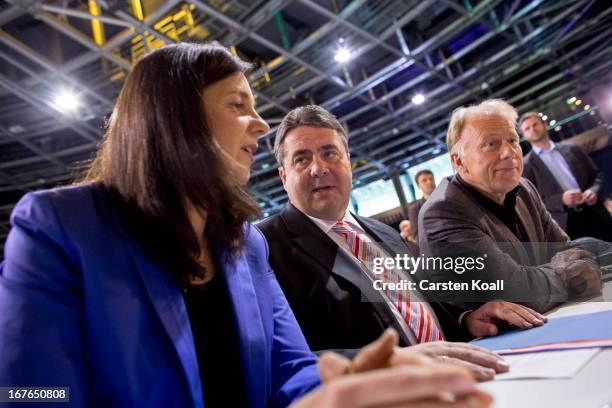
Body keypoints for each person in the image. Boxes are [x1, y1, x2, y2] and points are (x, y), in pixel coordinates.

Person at [0, 44, 491, 408]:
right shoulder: (60, 226)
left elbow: (290, 372)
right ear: (173, 117)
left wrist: (351, 383)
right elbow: (30, 393)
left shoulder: (244, 243)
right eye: (238, 105)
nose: (260, 123)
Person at [259, 105, 547, 382]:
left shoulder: (383, 233)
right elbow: (279, 360)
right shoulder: (266, 248)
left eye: (329, 153)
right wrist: (395, 363)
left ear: (348, 161)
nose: (318, 168)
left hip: (459, 378)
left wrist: (468, 320)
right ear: (284, 177)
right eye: (301, 159)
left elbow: (419, 312)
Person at [419, 99, 602, 313]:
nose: (509, 152)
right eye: (491, 143)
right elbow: (515, 291)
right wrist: (569, 276)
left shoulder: (524, 188)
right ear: (459, 162)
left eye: (512, 141)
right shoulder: (443, 211)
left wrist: (550, 274)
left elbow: (566, 250)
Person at [519, 112, 612, 241]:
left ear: (545, 125)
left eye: (535, 124)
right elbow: (532, 202)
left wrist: (593, 191)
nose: (533, 129)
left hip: (595, 211)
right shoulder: (526, 166)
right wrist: (561, 200)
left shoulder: (573, 148)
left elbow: (597, 176)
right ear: (524, 135)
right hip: (566, 224)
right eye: (527, 128)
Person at [409, 169, 436, 241]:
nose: (429, 182)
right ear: (418, 186)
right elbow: (417, 235)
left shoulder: (447, 198)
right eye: (424, 180)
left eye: (431, 179)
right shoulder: (415, 209)